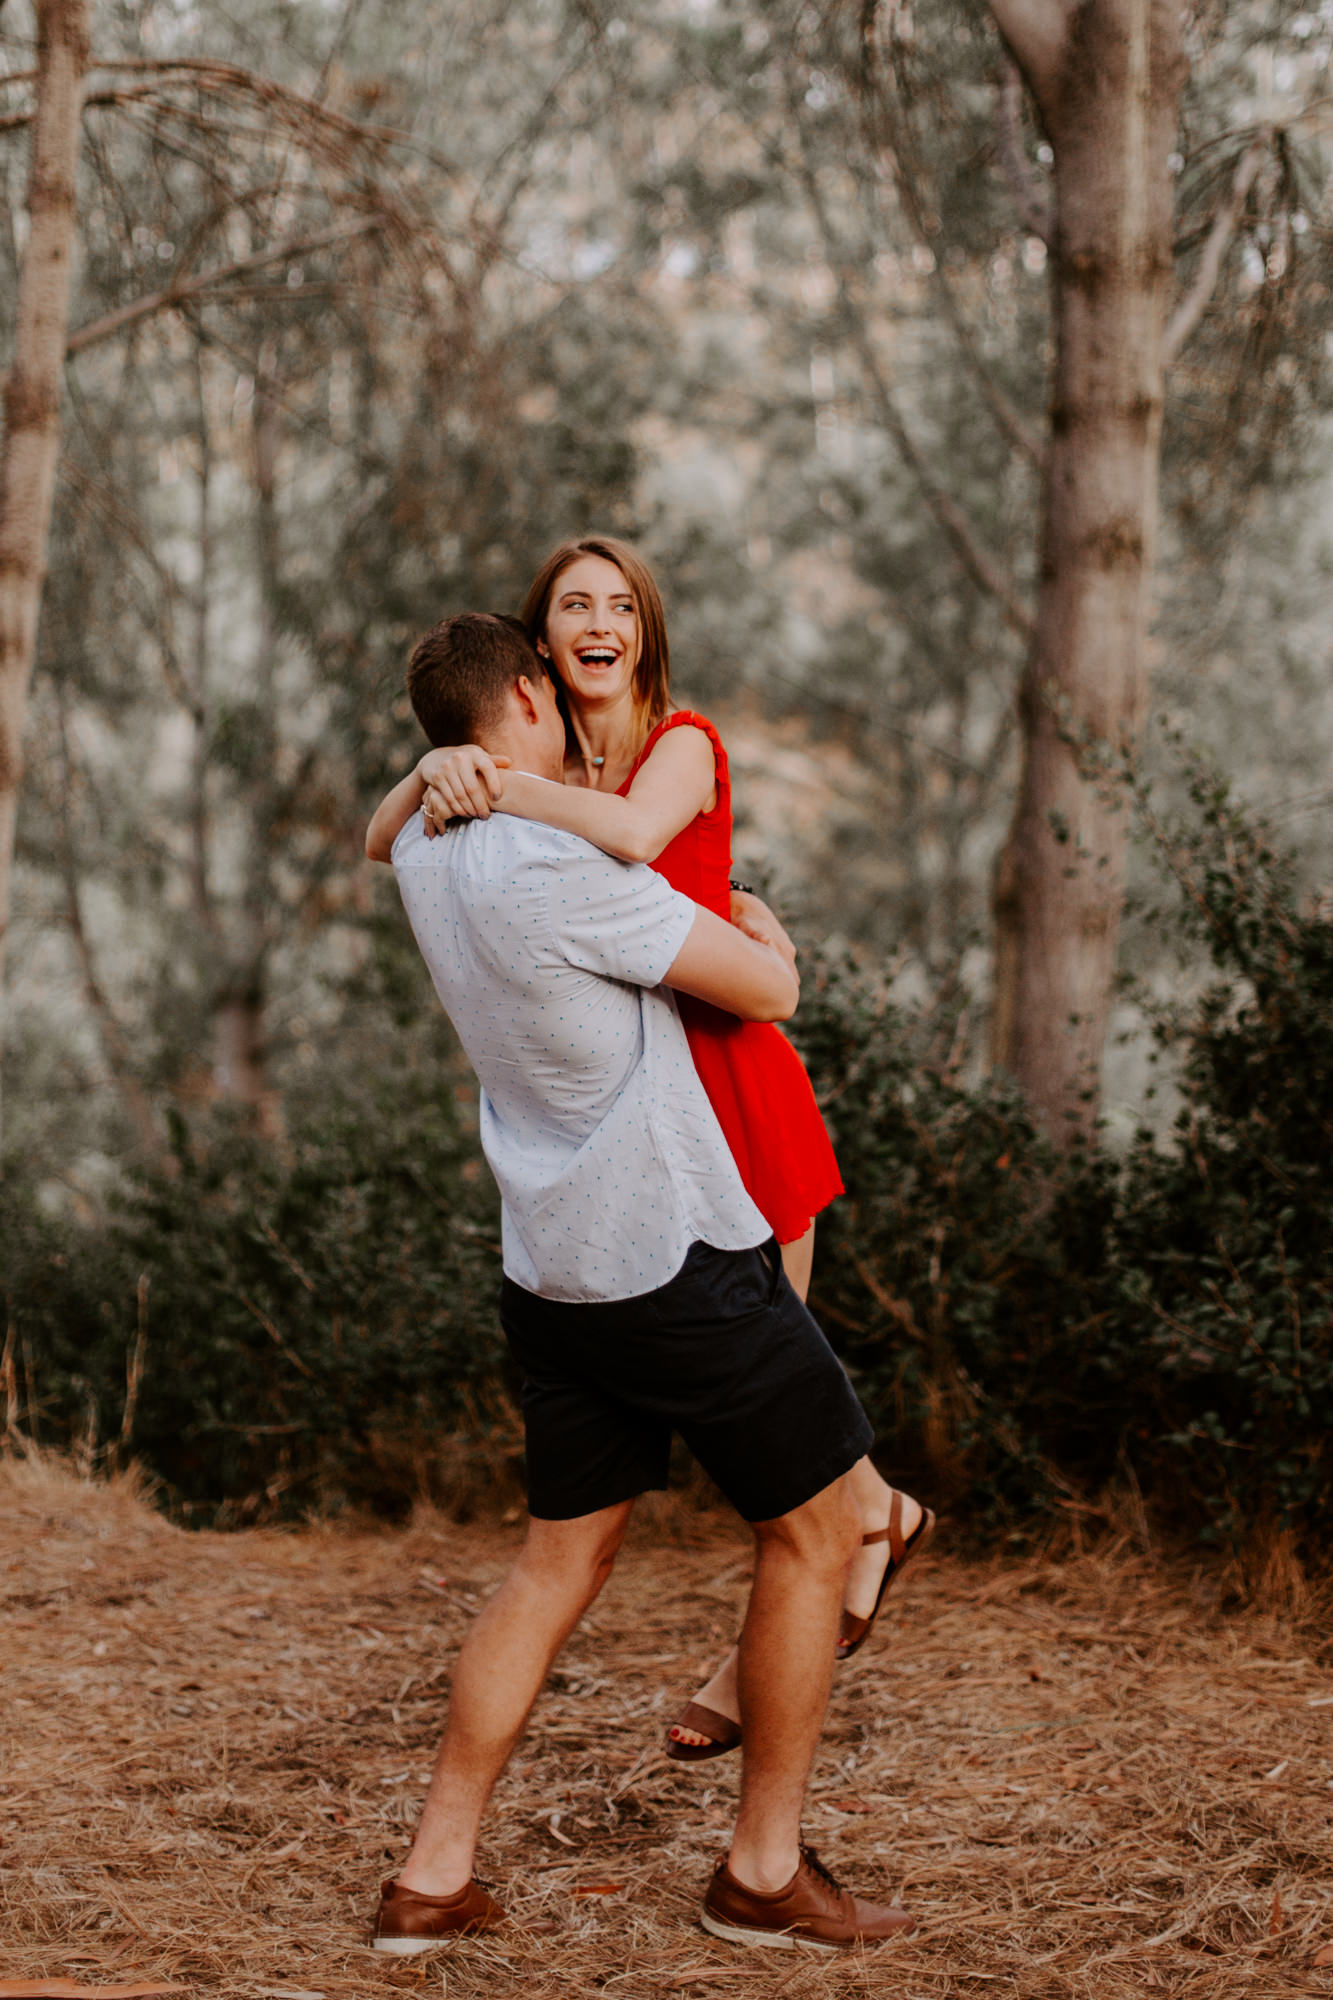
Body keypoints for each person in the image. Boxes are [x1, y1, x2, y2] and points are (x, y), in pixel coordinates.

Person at [367, 610, 916, 1954]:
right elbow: (764, 990)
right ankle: (762, 1873)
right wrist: (767, 926)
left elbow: (384, 825)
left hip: (551, 1278)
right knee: (814, 1535)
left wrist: (442, 772)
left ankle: (432, 1878)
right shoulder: (559, 866)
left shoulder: (428, 861)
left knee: (552, 1569)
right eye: (546, 683)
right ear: (518, 699)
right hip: (680, 1265)